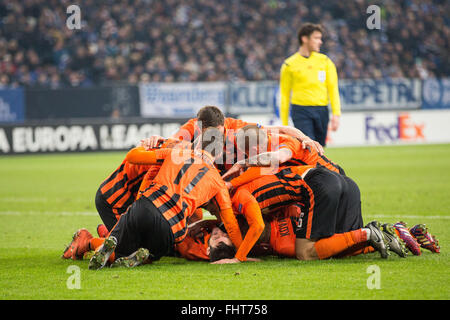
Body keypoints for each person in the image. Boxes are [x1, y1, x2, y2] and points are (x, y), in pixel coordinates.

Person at [88, 128, 243, 269]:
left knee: (120, 240)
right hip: (170, 228)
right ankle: (138, 258)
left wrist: (145, 145)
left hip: (146, 206)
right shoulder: (218, 182)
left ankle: (104, 248)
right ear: (217, 155)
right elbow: (231, 224)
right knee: (151, 253)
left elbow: (132, 157)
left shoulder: (177, 152)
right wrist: (241, 255)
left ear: (197, 143)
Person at [279, 23, 341, 147]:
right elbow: (285, 95)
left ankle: (315, 167)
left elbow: (333, 88)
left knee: (320, 149)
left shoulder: (325, 61)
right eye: (316, 38)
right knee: (309, 147)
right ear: (304, 39)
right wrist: (284, 125)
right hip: (301, 111)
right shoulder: (289, 65)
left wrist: (336, 113)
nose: (320, 42)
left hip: (322, 110)